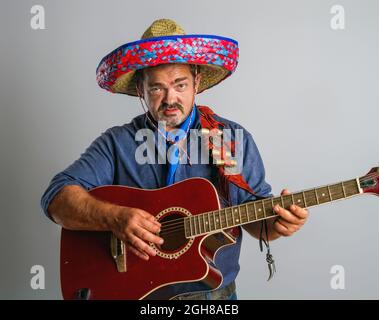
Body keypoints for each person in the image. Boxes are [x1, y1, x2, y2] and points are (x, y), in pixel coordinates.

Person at [41, 19, 308, 300]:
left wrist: (277, 225)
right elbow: (55, 199)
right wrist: (115, 217)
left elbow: (256, 218)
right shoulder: (116, 143)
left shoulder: (229, 139)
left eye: (180, 84)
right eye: (157, 88)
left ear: (196, 81)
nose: (170, 98)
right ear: (140, 90)